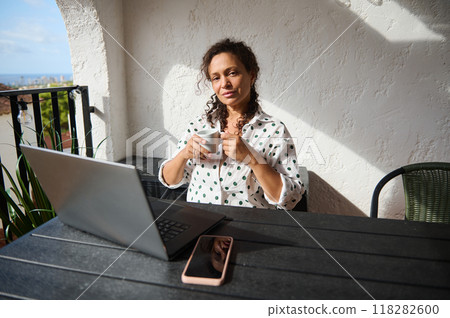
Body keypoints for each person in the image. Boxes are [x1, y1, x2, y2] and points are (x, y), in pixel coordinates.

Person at [159, 38, 304, 210]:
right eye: (216, 78)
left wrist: (252, 159)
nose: (224, 84)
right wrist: (184, 154)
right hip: (200, 224)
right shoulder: (200, 125)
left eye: (232, 73)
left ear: (251, 76)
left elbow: (289, 200)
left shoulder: (273, 129)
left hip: (249, 228)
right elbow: (170, 181)